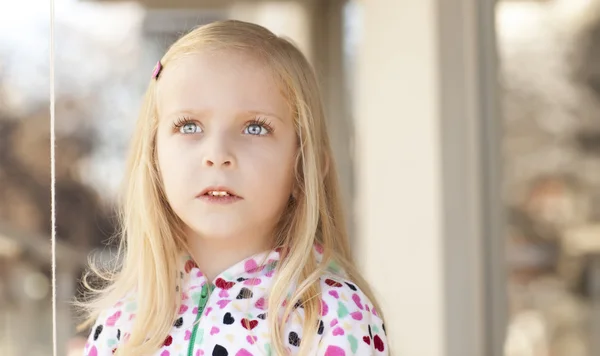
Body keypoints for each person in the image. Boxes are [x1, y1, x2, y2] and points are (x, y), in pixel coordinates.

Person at [77, 19, 389, 356]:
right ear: (153, 157)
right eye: (189, 125)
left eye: (255, 128)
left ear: (304, 167)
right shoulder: (126, 321)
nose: (217, 155)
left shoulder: (334, 316)